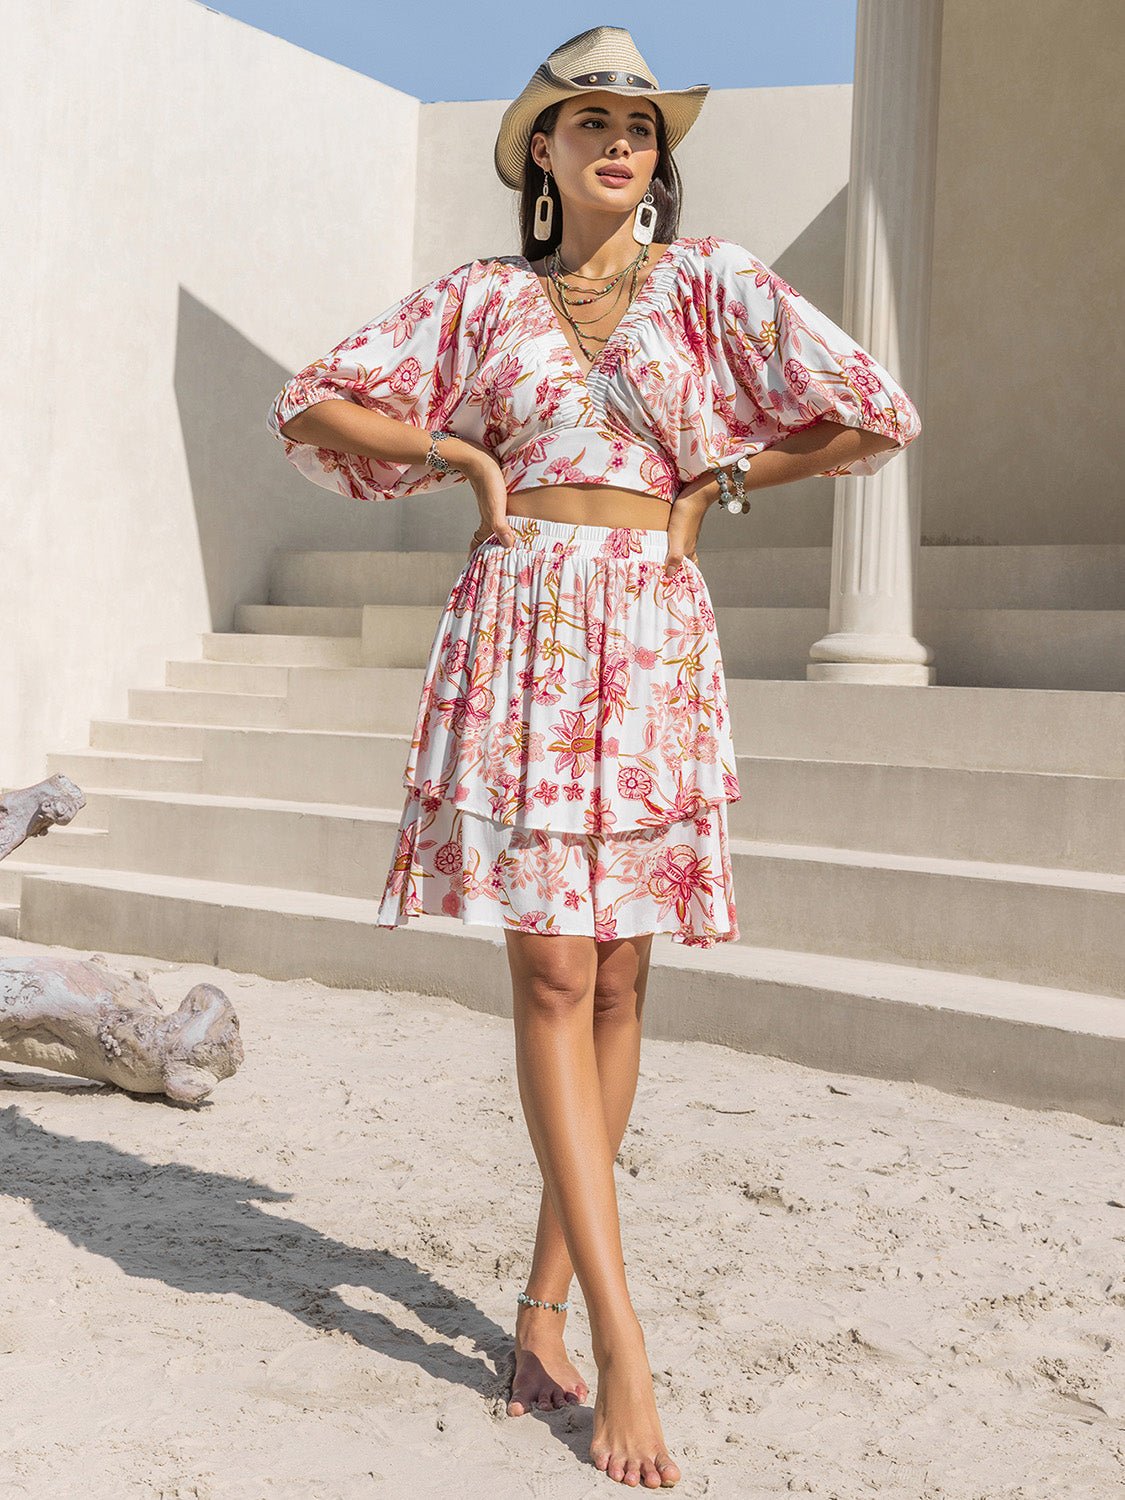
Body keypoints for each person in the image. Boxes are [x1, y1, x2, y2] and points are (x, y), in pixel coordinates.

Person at [267, 24, 921, 1489]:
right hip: (523, 629)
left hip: (650, 633)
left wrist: (729, 473)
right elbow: (310, 403)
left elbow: (873, 416)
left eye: (640, 123)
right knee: (555, 969)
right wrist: (470, 462)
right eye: (589, 120)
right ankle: (623, 1347)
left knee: (622, 974)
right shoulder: (480, 300)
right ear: (541, 156)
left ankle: (543, 1306)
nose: (622, 139)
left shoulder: (713, 285)